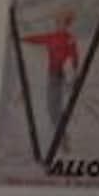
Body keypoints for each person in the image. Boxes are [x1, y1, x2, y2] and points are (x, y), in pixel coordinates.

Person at [22, 10, 79, 151]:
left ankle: (63, 137)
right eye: (58, 22)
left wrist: (72, 77)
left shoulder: (69, 39)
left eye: (63, 23)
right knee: (53, 108)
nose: (59, 25)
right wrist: (22, 39)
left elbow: (74, 58)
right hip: (52, 75)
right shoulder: (52, 37)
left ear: (68, 24)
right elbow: (36, 39)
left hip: (60, 76)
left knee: (54, 109)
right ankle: (62, 136)